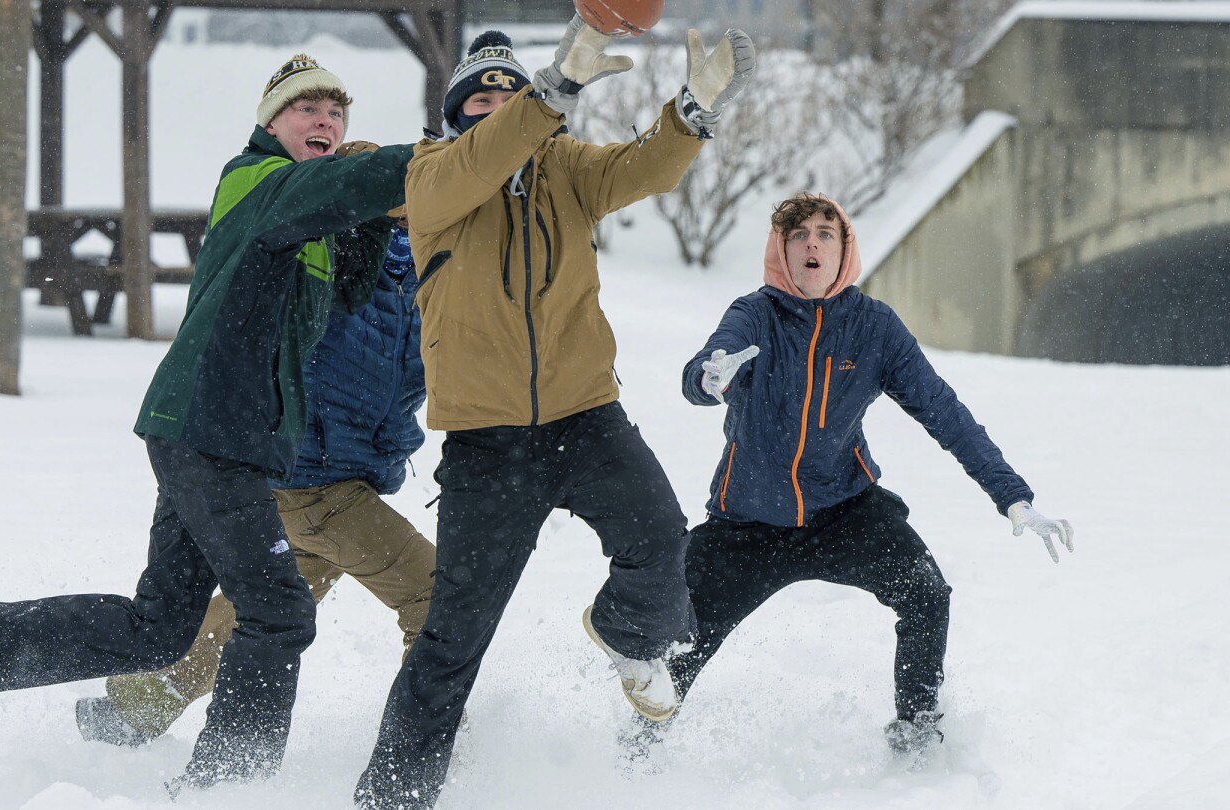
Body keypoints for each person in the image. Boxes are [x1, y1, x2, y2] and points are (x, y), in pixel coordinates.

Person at [0, 54, 415, 792]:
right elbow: (333, 188)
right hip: (211, 432)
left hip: (220, 438)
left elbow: (346, 289)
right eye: (306, 109)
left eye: (336, 113)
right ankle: (226, 788)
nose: (325, 121)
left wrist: (374, 221)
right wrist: (422, 163)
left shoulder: (309, 222)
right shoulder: (256, 180)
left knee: (161, 624)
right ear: (270, 123)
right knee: (279, 612)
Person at [353, 22, 758, 809]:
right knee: (451, 640)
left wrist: (689, 113)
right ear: (455, 110)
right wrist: (544, 95)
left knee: (660, 538)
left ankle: (630, 638)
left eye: (510, 89)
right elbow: (479, 161)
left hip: (585, 417)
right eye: (483, 92)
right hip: (486, 445)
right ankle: (392, 797)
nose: (498, 101)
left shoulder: (564, 167)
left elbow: (641, 171)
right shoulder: (430, 172)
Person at [667, 192, 1074, 760]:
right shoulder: (753, 315)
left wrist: (1012, 496)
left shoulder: (873, 328)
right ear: (781, 250)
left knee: (927, 594)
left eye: (825, 234)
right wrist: (707, 379)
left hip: (844, 511)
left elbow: (945, 412)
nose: (812, 243)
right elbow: (706, 366)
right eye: (799, 234)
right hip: (747, 522)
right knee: (672, 647)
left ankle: (916, 741)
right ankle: (634, 762)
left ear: (843, 250)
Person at [74, 222, 436, 747]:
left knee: (273, 604)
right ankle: (424, 752)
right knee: (436, 597)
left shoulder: (438, 275)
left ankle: (137, 708)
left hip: (348, 479)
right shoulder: (339, 256)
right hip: (312, 482)